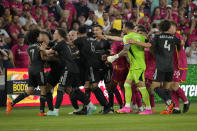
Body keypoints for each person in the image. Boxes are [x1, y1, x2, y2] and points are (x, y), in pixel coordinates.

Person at [40, 28, 96, 116]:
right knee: (74, 90)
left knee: (60, 89)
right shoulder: (64, 44)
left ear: (59, 35)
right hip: (73, 68)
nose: (53, 35)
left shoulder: (60, 44)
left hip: (68, 68)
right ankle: (90, 105)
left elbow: (47, 52)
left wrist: (41, 49)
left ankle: (55, 111)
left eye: (55, 33)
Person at [107, 22, 152, 114]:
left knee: (141, 87)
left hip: (137, 66)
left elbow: (125, 50)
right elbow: (148, 44)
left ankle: (148, 109)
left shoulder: (127, 37)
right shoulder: (140, 36)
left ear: (126, 28)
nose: (122, 28)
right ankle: (127, 107)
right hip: (136, 65)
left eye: (123, 27)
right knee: (127, 85)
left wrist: (114, 57)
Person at [7, 29, 47, 116]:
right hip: (38, 69)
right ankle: (41, 111)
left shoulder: (29, 47)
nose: (41, 36)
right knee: (43, 90)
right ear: (37, 37)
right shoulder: (40, 45)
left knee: (29, 91)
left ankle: (12, 103)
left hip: (31, 69)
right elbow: (43, 58)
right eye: (40, 35)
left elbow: (29, 61)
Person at [73, 25, 112, 114]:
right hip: (90, 65)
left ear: (102, 30)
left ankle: (107, 106)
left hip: (98, 65)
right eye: (94, 30)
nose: (95, 32)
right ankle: (86, 108)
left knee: (95, 86)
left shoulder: (105, 41)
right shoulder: (92, 41)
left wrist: (108, 56)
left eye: (97, 30)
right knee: (87, 86)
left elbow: (110, 52)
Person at [150, 20, 184, 114]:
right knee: (167, 88)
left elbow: (151, 47)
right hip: (170, 66)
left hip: (161, 65)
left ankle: (170, 103)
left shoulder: (157, 37)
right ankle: (169, 109)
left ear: (160, 28)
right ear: (169, 28)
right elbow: (181, 43)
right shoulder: (173, 37)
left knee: (154, 87)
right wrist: (178, 48)